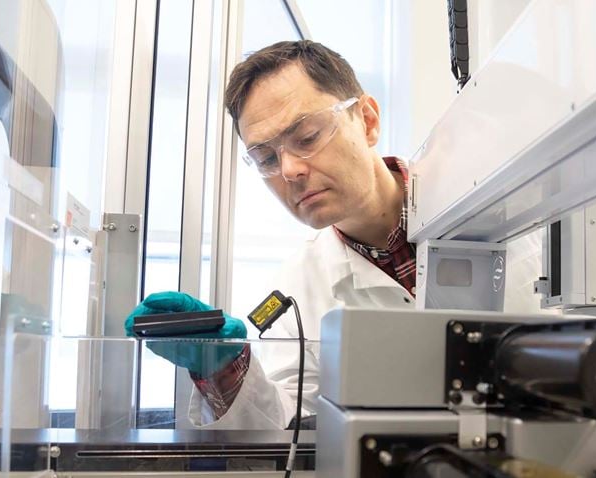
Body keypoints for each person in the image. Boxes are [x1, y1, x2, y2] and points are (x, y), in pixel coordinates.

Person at [127, 40, 417, 429]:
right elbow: (289, 425)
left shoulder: (494, 197)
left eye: (308, 136)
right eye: (266, 157)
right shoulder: (295, 288)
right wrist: (224, 367)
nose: (290, 170)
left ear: (366, 120)